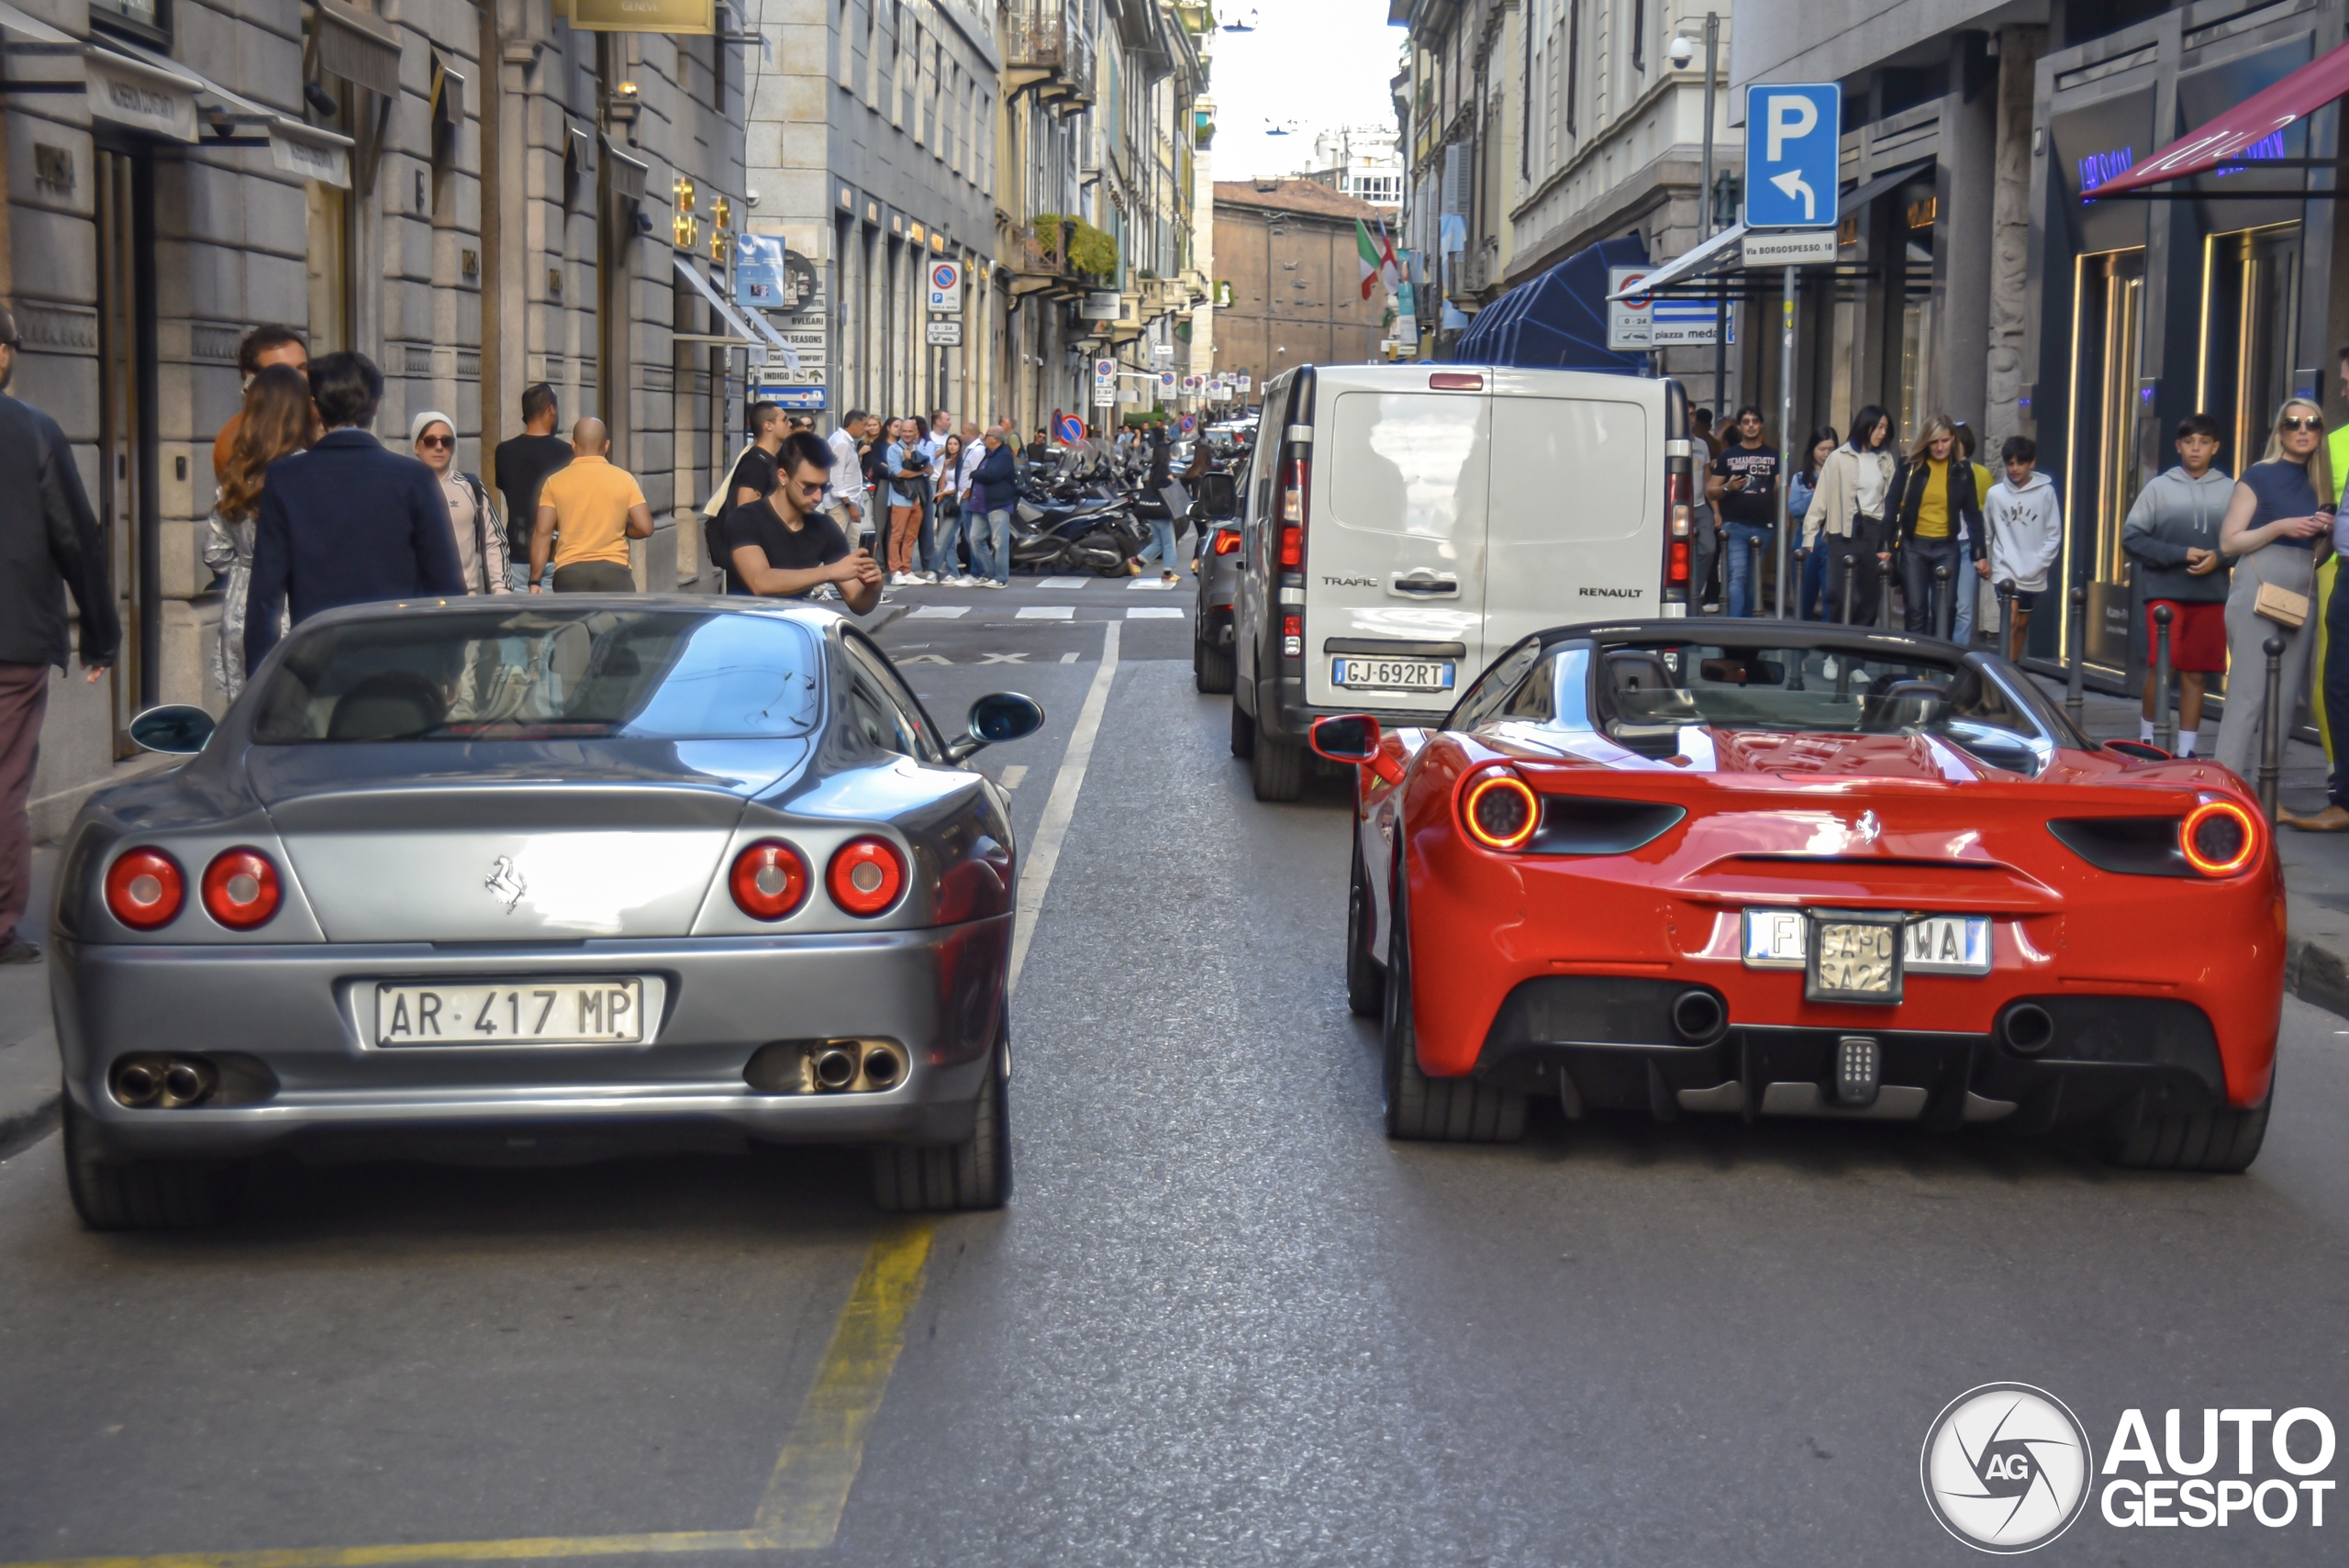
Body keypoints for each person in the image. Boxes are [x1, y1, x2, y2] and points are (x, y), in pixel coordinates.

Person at [0, 304, 118, 963]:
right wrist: (100, 632)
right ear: (3, 354)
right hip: (13, 638)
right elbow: (77, 537)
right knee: (4, 781)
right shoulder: (35, 431)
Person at [244, 351, 464, 673]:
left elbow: (266, 596)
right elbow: (445, 583)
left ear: (315, 406)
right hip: (404, 665)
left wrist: (260, 679)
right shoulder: (413, 477)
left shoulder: (286, 479)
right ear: (376, 405)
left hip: (320, 665)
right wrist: (450, 666)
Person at [2213, 398, 2333, 780]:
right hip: (2258, 582)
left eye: (2312, 423)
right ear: (2280, 431)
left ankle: (2268, 794)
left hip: (2304, 584)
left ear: (2320, 431)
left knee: (2285, 703)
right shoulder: (2259, 475)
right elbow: (2229, 542)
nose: (2302, 430)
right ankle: (2226, 787)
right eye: (2293, 423)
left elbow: (2320, 555)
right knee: (2247, 695)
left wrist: (2326, 533)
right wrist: (2280, 527)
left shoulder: (2321, 483)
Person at [2120, 417, 2230, 757]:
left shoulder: (2231, 489)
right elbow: (2132, 538)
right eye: (2189, 441)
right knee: (2162, 667)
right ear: (2178, 446)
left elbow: (2242, 543)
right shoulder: (2158, 488)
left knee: (2197, 673)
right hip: (2164, 594)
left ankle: (2186, 751)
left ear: (2216, 447)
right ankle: (2149, 742)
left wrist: (2220, 557)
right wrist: (2179, 554)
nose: (2196, 447)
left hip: (2210, 594)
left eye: (2204, 441)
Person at [204, 366, 314, 701]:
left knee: (246, 722)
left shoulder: (236, 473)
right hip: (295, 610)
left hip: (240, 607)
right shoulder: (308, 471)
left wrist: (242, 568)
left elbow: (214, 551)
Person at [724, 429, 885, 612]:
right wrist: (831, 571)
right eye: (809, 487)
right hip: (744, 627)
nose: (817, 496)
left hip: (793, 630)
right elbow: (760, 582)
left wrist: (874, 586)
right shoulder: (745, 518)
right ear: (783, 476)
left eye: (823, 487)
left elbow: (858, 603)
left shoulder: (825, 528)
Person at [1887, 415, 1986, 636]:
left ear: (1953, 440)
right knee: (1916, 610)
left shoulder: (1962, 470)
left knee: (1946, 609)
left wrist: (1980, 554)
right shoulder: (1909, 467)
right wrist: (1884, 545)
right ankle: (1916, 667)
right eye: (1934, 441)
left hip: (1947, 547)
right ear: (1926, 441)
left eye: (1945, 440)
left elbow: (1973, 514)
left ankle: (1940, 666)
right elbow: (1892, 505)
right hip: (1914, 546)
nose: (1940, 447)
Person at [529, 417, 654, 593]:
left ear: (573, 444)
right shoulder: (625, 479)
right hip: (615, 573)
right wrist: (622, 528)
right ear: (607, 445)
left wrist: (534, 581)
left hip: (570, 573)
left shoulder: (554, 482)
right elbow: (645, 527)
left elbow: (543, 533)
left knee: (574, 621)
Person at [1803, 406, 1897, 625]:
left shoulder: (1885, 459)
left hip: (1874, 532)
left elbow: (1891, 500)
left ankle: (1857, 654)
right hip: (1842, 531)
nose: (1882, 432)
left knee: (1868, 599)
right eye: (1879, 426)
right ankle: (1834, 652)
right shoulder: (1838, 457)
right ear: (1866, 425)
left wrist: (1887, 539)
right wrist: (1810, 533)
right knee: (1839, 595)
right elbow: (1821, 498)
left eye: (1886, 428)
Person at [1986, 436, 2067, 666]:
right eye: (2010, 463)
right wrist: (1984, 559)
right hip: (2005, 569)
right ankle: (2004, 675)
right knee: (2009, 620)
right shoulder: (1995, 494)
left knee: (2022, 624)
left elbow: (2054, 534)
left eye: (2020, 463)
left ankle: (2012, 668)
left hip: (2034, 571)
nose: (2014, 468)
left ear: (2031, 463)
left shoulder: (2046, 493)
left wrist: (2038, 565)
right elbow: (1987, 531)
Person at [411, 411, 510, 596]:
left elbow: (493, 541)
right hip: (420, 602)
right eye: (430, 441)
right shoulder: (404, 489)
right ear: (417, 446)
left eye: (446, 441)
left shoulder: (471, 486)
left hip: (466, 599)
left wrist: (501, 589)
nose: (439, 447)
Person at [492, 384, 570, 592]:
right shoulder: (568, 453)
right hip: (557, 555)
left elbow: (508, 490)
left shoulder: (504, 451)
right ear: (551, 409)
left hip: (516, 554)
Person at [705, 401, 787, 593]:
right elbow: (745, 511)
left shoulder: (769, 460)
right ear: (768, 426)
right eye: (785, 420)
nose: (789, 424)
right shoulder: (756, 464)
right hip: (751, 560)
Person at [210, 325, 306, 485]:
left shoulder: (321, 420)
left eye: (302, 369)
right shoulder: (238, 437)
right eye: (282, 372)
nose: (297, 379)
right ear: (252, 379)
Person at [1707, 406, 1779, 618]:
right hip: (1735, 526)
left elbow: (1782, 488)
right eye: (1746, 421)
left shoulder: (1773, 456)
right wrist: (1728, 487)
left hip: (1764, 526)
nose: (1750, 425)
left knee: (1752, 580)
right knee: (1737, 576)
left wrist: (1783, 517)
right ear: (1739, 426)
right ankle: (1735, 624)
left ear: (1761, 424)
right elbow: (1711, 492)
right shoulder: (1728, 456)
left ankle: (1747, 626)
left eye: (1754, 421)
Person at [1952, 423, 1997, 645]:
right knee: (1935, 607)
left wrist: (1982, 552)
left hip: (1967, 543)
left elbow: (1983, 511)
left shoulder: (1980, 473)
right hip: (1941, 543)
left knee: (1964, 609)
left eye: (1954, 441)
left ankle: (1954, 662)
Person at [1788, 427, 1837, 620]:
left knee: (1831, 596)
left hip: (1832, 536)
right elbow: (1795, 509)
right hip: (1806, 536)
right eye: (1822, 449)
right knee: (1804, 598)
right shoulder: (1801, 478)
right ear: (1812, 450)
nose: (1826, 454)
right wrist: (1817, 497)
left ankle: (1828, 646)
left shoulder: (1840, 475)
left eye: (1831, 449)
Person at [968, 425, 1019, 587]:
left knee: (999, 542)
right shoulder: (988, 454)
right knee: (975, 538)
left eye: (987, 435)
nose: (983, 438)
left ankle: (1001, 577)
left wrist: (974, 473)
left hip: (998, 504)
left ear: (995, 439)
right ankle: (988, 573)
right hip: (981, 504)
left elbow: (992, 475)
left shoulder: (1003, 454)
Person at [884, 417, 928, 584]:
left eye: (911, 431)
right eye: (905, 431)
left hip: (917, 498)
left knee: (911, 536)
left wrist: (915, 459)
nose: (908, 434)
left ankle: (906, 569)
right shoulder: (893, 450)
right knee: (897, 535)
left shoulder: (919, 447)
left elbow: (930, 468)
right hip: (901, 498)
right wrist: (919, 471)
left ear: (915, 431)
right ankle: (895, 571)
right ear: (900, 432)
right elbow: (899, 473)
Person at [825, 409, 873, 546]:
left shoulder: (844, 440)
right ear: (853, 425)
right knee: (836, 545)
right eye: (864, 425)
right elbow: (836, 479)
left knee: (853, 544)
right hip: (842, 505)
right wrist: (849, 505)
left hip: (851, 502)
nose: (866, 429)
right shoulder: (842, 443)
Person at [933, 432, 969, 584]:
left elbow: (962, 485)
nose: (952, 447)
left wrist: (946, 493)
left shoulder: (962, 461)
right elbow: (941, 485)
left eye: (955, 444)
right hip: (943, 500)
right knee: (944, 537)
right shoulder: (948, 462)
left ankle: (945, 571)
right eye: (950, 444)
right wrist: (944, 469)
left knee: (949, 538)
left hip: (954, 501)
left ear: (960, 446)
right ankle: (952, 572)